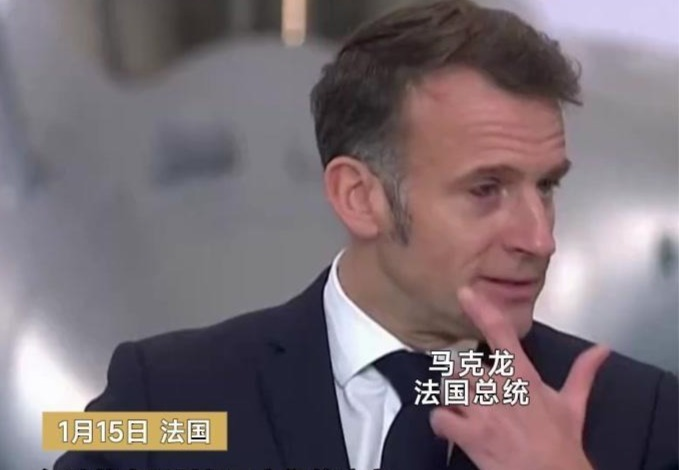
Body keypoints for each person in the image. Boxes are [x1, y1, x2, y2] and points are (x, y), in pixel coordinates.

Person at [54, 1, 678, 469]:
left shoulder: (646, 417)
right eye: (485, 189)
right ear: (359, 197)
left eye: (546, 187)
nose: (539, 240)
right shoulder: (159, 400)